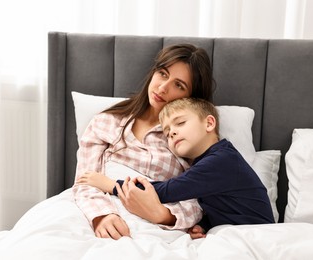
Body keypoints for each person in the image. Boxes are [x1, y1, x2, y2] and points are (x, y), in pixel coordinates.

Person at [72, 44, 215, 240]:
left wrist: (161, 215)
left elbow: (199, 202)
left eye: (179, 85)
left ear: (191, 98)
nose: (163, 88)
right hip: (96, 213)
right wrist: (102, 215)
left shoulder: (189, 138)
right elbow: (84, 181)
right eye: (163, 74)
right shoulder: (105, 122)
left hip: (157, 227)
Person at [79, 98, 275, 239]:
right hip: (238, 231)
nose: (172, 132)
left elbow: (167, 191)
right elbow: (225, 206)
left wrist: (110, 184)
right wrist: (203, 226)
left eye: (180, 123)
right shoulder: (205, 163)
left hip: (259, 235)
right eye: (167, 133)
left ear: (209, 123)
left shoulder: (221, 161)